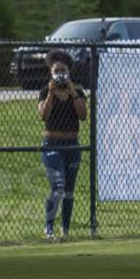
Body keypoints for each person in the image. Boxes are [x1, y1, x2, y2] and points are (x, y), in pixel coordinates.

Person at [38, 51, 87, 242]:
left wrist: (72, 91)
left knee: (68, 190)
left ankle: (65, 230)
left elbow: (83, 115)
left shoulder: (78, 91)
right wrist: (51, 92)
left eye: (63, 70)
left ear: (69, 71)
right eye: (56, 70)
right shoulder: (45, 91)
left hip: (72, 145)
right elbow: (43, 115)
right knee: (57, 187)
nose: (60, 74)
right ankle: (48, 229)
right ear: (50, 72)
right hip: (52, 144)